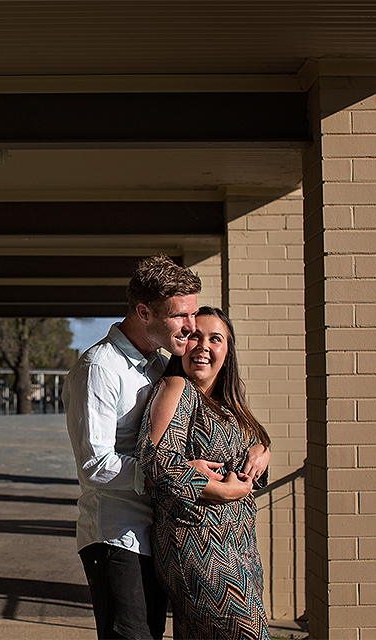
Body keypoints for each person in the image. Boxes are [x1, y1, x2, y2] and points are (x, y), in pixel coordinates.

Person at [63, 254, 205, 640]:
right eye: (180, 316)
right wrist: (171, 476)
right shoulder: (99, 368)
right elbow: (95, 464)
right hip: (116, 536)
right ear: (144, 311)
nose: (191, 328)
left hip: (158, 534)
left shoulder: (160, 367)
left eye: (193, 315)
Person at [138, 306, 271, 640]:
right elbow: (153, 459)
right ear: (182, 342)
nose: (204, 346)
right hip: (197, 542)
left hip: (239, 543)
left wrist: (260, 451)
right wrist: (224, 491)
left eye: (216, 339)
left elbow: (245, 460)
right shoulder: (176, 387)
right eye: (196, 335)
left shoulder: (229, 405)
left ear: (227, 351)